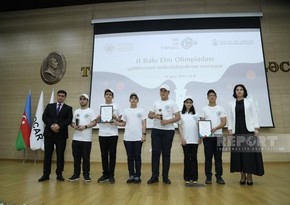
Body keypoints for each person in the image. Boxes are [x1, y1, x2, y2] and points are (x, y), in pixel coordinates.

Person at [227, 84, 264, 185]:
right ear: (235, 92)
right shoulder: (231, 103)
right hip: (236, 131)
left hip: (248, 130)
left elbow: (255, 115)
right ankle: (242, 175)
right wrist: (230, 129)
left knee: (249, 154)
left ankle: (249, 176)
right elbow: (230, 117)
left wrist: (256, 128)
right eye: (237, 90)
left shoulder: (250, 102)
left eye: (241, 90)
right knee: (239, 154)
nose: (239, 91)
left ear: (244, 91)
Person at [147, 84, 181, 184]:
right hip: (156, 130)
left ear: (168, 92)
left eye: (165, 91)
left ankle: (165, 177)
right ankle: (155, 176)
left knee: (166, 154)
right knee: (155, 153)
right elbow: (149, 115)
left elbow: (178, 117)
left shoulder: (172, 103)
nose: (163, 92)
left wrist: (167, 121)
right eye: (161, 90)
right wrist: (155, 116)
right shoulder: (155, 102)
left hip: (168, 131)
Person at [38, 90, 73, 182]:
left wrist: (59, 126)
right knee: (47, 155)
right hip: (49, 134)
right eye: (59, 95)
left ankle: (59, 174)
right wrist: (52, 125)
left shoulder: (68, 108)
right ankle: (46, 174)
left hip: (61, 135)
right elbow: (44, 117)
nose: (60, 97)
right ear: (57, 96)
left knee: (60, 155)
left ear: (65, 97)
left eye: (62, 96)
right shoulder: (50, 106)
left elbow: (69, 120)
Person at [116, 93, 147, 184]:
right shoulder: (126, 110)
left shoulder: (141, 110)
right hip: (127, 138)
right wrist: (115, 123)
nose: (133, 100)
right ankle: (131, 175)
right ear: (129, 100)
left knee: (137, 157)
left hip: (138, 138)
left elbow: (144, 123)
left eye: (135, 98)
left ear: (138, 100)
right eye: (132, 98)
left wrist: (144, 134)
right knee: (130, 157)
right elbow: (123, 123)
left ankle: (137, 176)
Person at [68, 94, 97, 183]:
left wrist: (85, 126)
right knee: (76, 158)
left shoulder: (91, 111)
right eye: (80, 99)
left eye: (84, 99)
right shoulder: (76, 111)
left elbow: (94, 123)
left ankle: (86, 175)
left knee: (86, 158)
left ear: (87, 101)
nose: (82, 100)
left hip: (86, 139)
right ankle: (76, 175)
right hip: (76, 138)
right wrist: (75, 126)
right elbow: (72, 123)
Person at [200, 89, 227, 185]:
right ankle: (208, 177)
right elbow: (202, 123)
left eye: (213, 95)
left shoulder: (221, 108)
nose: (212, 97)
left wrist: (216, 128)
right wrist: (202, 132)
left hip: (218, 136)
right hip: (207, 137)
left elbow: (224, 122)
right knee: (208, 157)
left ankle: (219, 177)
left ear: (216, 97)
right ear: (207, 97)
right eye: (210, 95)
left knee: (218, 158)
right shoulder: (204, 109)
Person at [96, 88, 120, 183]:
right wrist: (98, 118)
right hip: (102, 133)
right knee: (104, 154)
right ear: (104, 96)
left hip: (113, 133)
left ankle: (111, 175)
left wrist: (115, 117)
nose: (108, 96)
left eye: (110, 94)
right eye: (107, 94)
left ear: (112, 96)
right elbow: (98, 121)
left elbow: (118, 120)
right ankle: (105, 174)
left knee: (112, 154)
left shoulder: (116, 106)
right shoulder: (100, 106)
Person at [178, 96, 201, 185]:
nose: (188, 104)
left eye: (190, 102)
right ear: (184, 103)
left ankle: (194, 178)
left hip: (195, 140)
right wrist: (182, 138)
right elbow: (179, 127)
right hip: (185, 140)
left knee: (194, 158)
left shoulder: (196, 114)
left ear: (192, 104)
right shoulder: (181, 114)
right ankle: (187, 178)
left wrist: (200, 137)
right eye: (187, 102)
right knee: (187, 158)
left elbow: (200, 126)